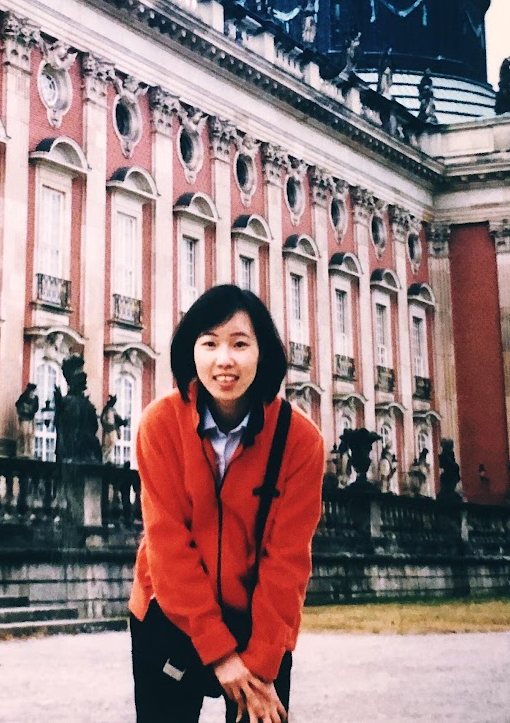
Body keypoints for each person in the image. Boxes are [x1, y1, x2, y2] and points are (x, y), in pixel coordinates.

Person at [129, 284, 324, 723]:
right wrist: (220, 656)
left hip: (259, 621)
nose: (224, 360)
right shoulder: (160, 425)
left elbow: (287, 561)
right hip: (170, 615)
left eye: (239, 344)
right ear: (191, 351)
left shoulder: (299, 441)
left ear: (263, 353)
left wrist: (261, 666)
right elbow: (168, 547)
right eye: (209, 343)